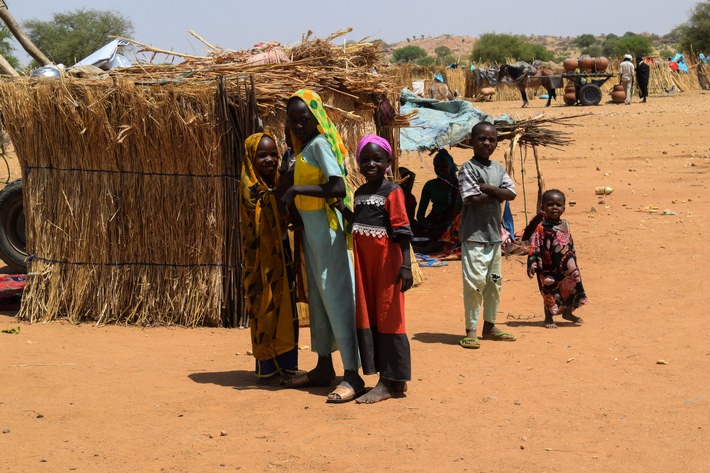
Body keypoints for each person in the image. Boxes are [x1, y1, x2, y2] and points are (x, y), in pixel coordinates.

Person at [280, 89, 365, 403]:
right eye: (294, 119)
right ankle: (323, 367)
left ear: (316, 117)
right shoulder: (303, 149)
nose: (299, 124)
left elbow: (337, 185)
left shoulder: (319, 145)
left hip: (328, 235)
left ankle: (353, 374)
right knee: (319, 300)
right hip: (314, 235)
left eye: (305, 118)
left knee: (338, 300)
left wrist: (295, 190)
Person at [333, 135, 413, 404]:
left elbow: (403, 232)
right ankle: (392, 382)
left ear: (388, 162)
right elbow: (357, 223)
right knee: (374, 318)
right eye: (365, 159)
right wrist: (341, 208)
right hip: (365, 267)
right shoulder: (360, 194)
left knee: (390, 317)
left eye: (377, 159)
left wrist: (406, 266)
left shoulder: (393, 192)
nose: (371, 164)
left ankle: (389, 381)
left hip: (387, 265)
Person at [240, 132, 299, 385]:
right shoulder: (249, 189)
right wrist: (287, 184)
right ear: (251, 158)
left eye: (273, 154)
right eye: (262, 155)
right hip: (261, 263)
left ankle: (287, 365)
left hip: (282, 255)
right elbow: (265, 210)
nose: (270, 159)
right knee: (266, 308)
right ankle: (267, 367)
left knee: (286, 307)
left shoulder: (276, 183)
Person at [457, 122, 517, 349]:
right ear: (472, 142)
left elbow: (511, 193)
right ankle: (471, 330)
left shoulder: (498, 168)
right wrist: (497, 192)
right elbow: (471, 198)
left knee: (494, 282)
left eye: (491, 140)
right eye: (481, 139)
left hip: (493, 235)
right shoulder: (467, 168)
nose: (486, 143)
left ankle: (489, 326)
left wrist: (488, 188)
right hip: (473, 235)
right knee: (474, 283)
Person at [526, 189, 588, 328]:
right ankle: (548, 318)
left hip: (567, 266)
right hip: (548, 267)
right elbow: (535, 245)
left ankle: (568, 313)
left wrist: (573, 262)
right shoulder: (541, 227)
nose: (555, 207)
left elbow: (569, 243)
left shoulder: (565, 224)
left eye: (558, 205)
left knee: (571, 287)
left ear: (564, 208)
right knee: (549, 290)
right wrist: (532, 263)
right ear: (543, 208)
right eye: (550, 204)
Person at [415, 149, 460, 241]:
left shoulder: (458, 186)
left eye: (444, 166)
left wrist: (447, 224)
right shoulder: (430, 185)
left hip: (452, 222)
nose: (440, 169)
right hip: (434, 221)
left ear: (450, 166)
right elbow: (420, 214)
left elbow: (461, 211)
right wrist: (425, 223)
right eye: (437, 166)